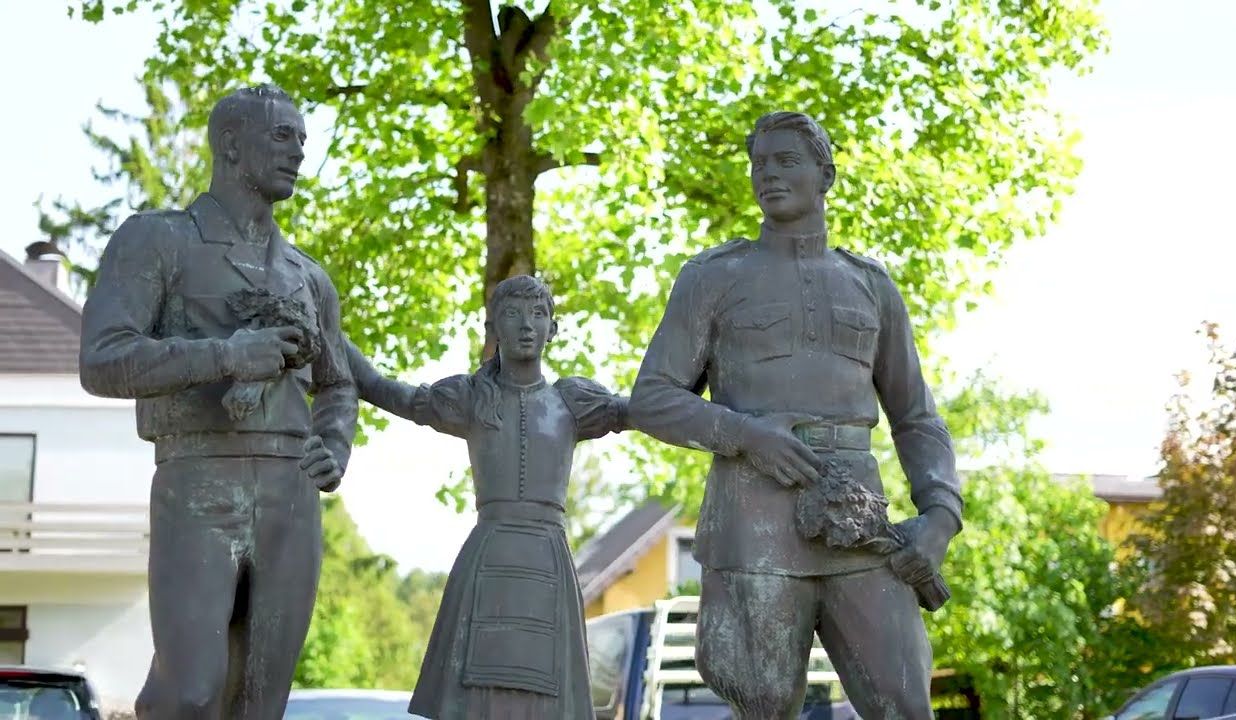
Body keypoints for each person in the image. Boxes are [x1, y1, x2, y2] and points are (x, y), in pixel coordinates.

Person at [629, 111, 964, 720]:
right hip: (751, 525)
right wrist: (745, 434)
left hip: (860, 526)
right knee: (763, 706)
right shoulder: (712, 277)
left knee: (905, 705)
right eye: (759, 164)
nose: (768, 175)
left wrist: (940, 515)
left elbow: (916, 416)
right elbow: (652, 397)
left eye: (787, 161)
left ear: (825, 175)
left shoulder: (871, 285)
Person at [79, 84, 357, 719]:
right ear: (231, 144)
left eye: (302, 139)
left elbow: (338, 382)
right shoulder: (158, 239)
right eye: (282, 136)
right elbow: (102, 359)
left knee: (262, 700)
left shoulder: (308, 276)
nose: (299, 152)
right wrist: (226, 356)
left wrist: (334, 443)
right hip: (198, 476)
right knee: (192, 691)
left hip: (291, 491)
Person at [348, 275, 627, 720]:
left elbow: (648, 408)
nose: (527, 325)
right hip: (487, 560)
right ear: (492, 326)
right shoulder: (471, 399)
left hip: (548, 564)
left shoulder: (573, 403)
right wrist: (330, 331)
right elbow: (389, 391)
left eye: (538, 314)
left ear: (553, 329)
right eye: (513, 314)